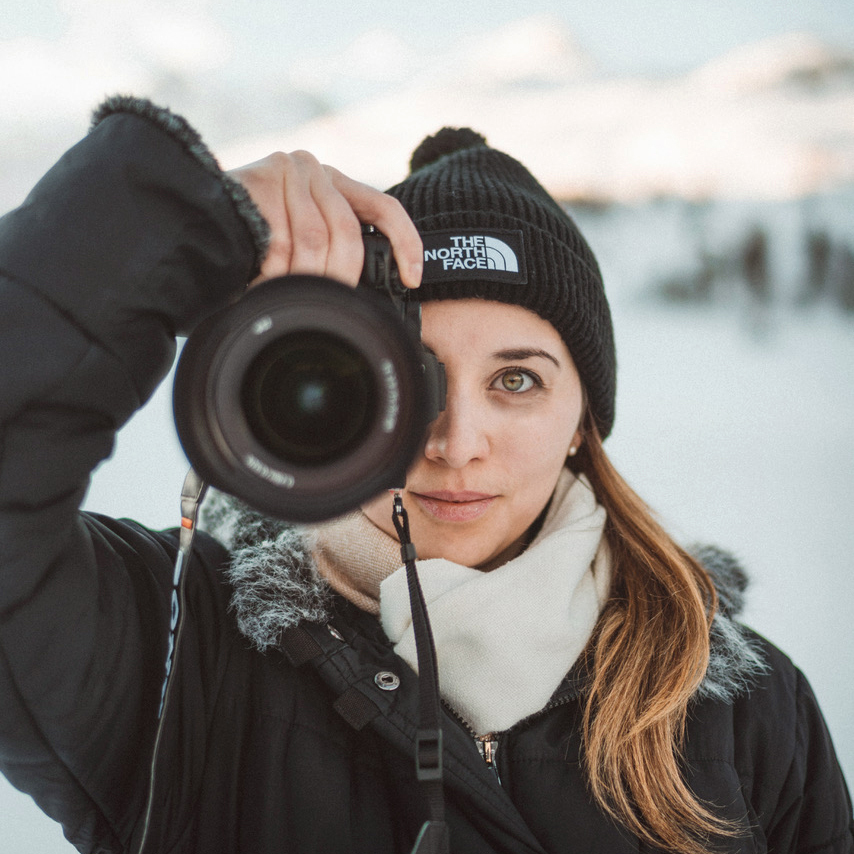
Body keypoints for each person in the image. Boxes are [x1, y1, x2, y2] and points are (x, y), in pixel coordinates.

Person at [0, 95, 851, 854]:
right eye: (413, 379)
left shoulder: (740, 704)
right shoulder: (178, 653)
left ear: (581, 425)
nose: (455, 442)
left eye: (516, 380)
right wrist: (160, 225)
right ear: (341, 385)